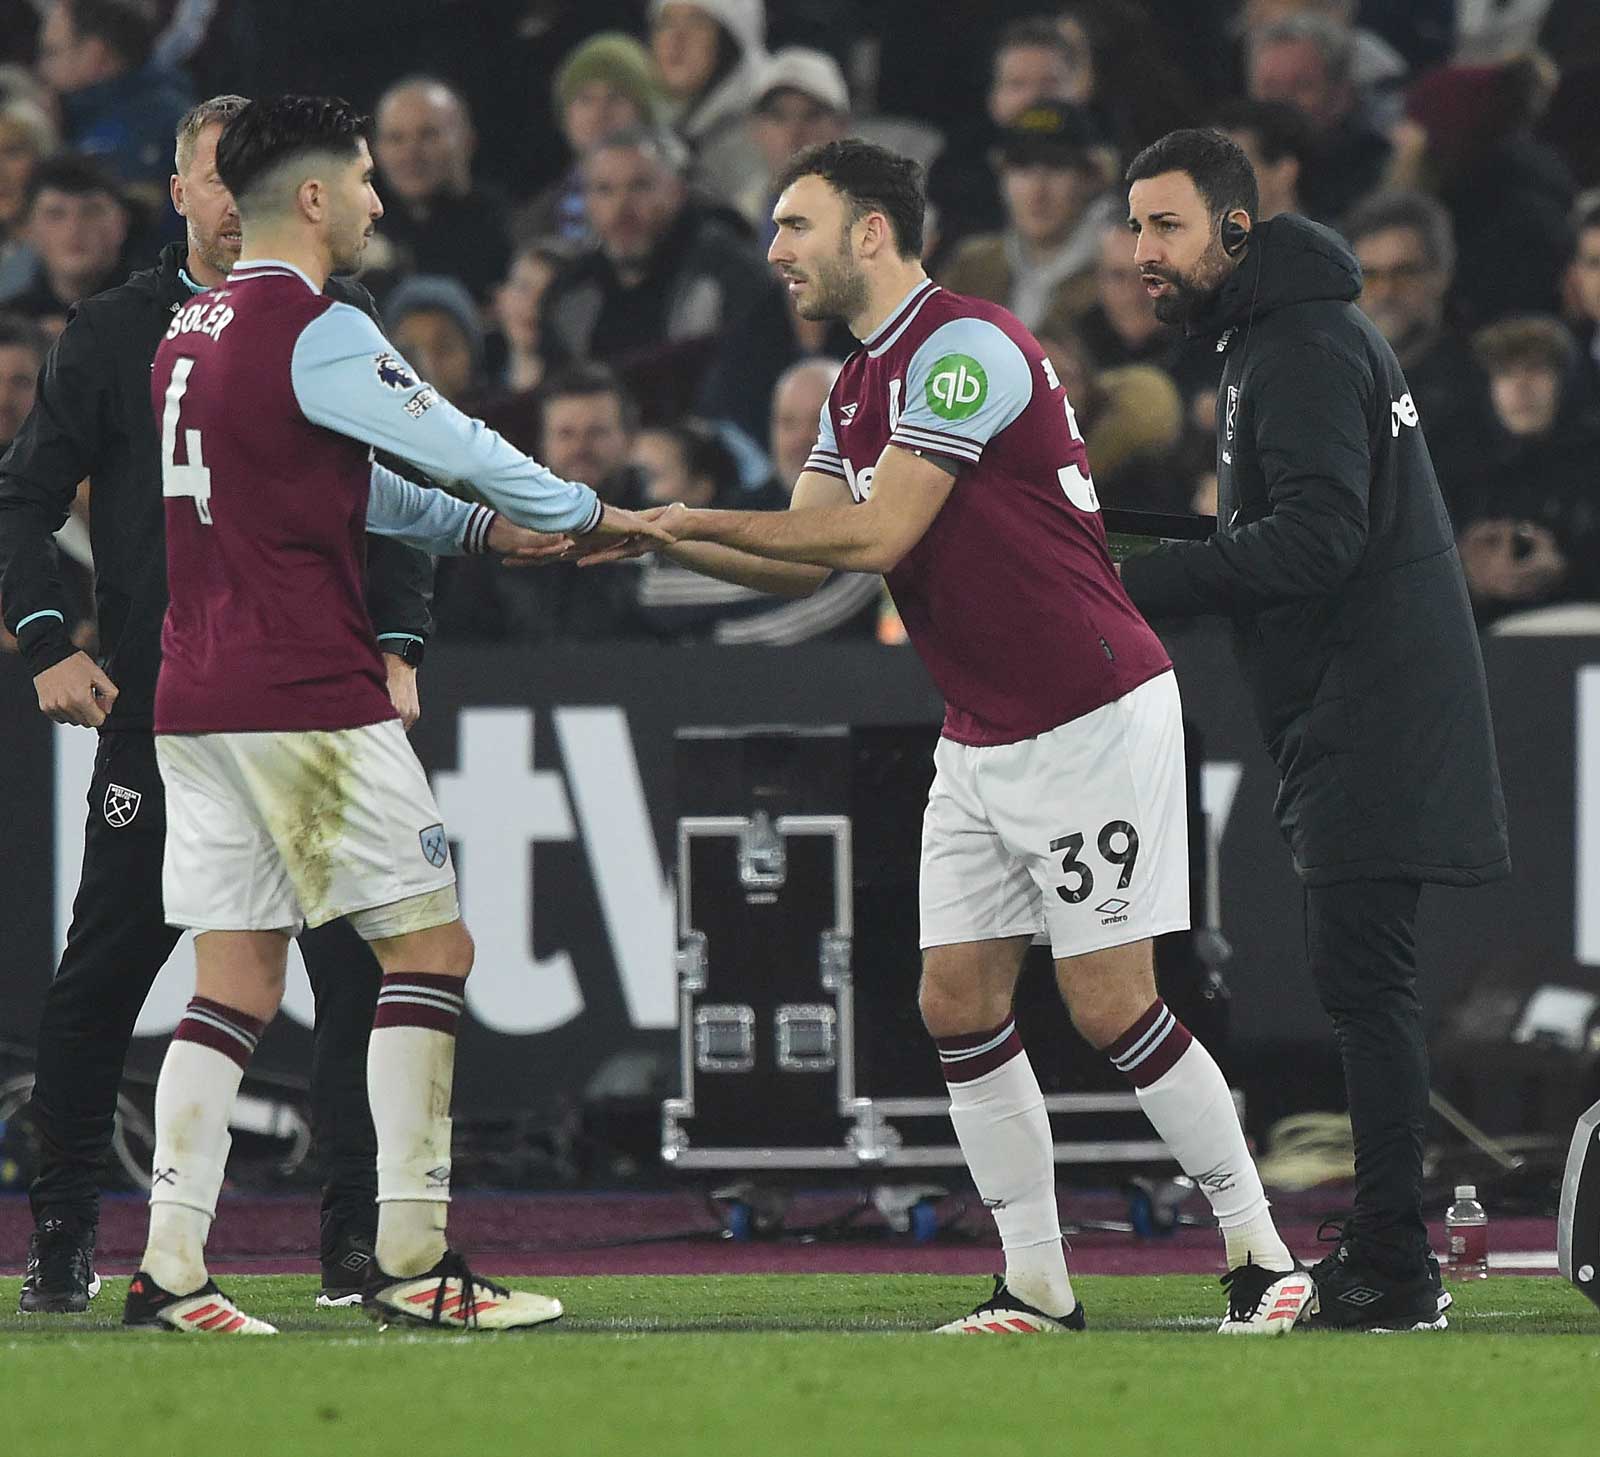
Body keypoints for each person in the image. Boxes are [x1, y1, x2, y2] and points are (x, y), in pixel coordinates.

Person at [576, 137, 1312, 1336]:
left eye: (795, 225)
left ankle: (1261, 1254)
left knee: (1111, 1002)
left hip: (1090, 709)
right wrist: (652, 533)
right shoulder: (856, 385)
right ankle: (1036, 1281)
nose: (775, 251)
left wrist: (680, 512)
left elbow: (874, 540)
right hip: (980, 730)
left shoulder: (964, 349)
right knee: (955, 999)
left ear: (872, 230)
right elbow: (802, 545)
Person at [123, 93, 664, 1333]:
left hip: (196, 696)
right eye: (363, 181)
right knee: (431, 951)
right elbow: (455, 441)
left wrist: (481, 534)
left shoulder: (186, 332)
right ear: (311, 197)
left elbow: (336, 487)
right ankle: (414, 1259)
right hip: (305, 697)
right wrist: (588, 514)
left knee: (236, 979)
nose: (378, 201)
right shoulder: (315, 328)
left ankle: (169, 1267)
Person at [0, 95, 440, 1315]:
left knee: (348, 969)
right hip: (164, 705)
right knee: (111, 967)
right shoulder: (112, 331)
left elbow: (394, 492)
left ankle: (349, 1243)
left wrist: (399, 642)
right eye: (212, 173)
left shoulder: (331, 322)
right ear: (186, 194)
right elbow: (19, 498)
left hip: (306, 698)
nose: (234, 195)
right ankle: (66, 1233)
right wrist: (47, 637)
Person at [1120, 128, 1509, 1329]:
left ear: (1235, 231)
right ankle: (1393, 1253)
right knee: (1366, 986)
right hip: (1362, 702)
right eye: (1133, 225)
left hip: (1369, 709)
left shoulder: (1291, 348)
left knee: (1365, 988)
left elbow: (1317, 539)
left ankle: (1394, 1263)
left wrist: (1134, 586)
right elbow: (1292, 528)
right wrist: (1116, 551)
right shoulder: (1288, 336)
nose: (1142, 251)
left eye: (1166, 226)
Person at [538, 124, 795, 440]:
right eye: (604, 190)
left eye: (641, 187)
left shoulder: (730, 272)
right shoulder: (570, 293)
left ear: (676, 191)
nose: (622, 208)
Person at [1342, 189, 1493, 512]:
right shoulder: (1322, 379)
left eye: (1405, 272)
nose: (1386, 291)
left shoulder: (1484, 384)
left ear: (1441, 275)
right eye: (1370, 275)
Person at [938, 101, 1121, 337]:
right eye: (1022, 168)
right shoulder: (972, 267)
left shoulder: (1118, 273)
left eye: (1057, 167)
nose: (1037, 191)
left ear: (1092, 179)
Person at [369, 76, 510, 305]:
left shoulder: (508, 229)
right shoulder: (362, 235)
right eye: (396, 139)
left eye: (428, 134)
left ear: (467, 140)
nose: (410, 154)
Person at [34, 0, 194, 191]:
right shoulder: (75, 118)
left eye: (52, 53)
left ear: (94, 54)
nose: (41, 70)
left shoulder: (150, 131)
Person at [1245, 14, 1390, 222]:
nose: (1281, 102)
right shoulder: (1232, 165)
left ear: (1340, 95)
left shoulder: (1373, 168)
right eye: (1270, 87)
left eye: (1301, 86)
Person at [0, 153, 132, 336]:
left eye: (91, 212)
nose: (74, 229)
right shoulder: (9, 322)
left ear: (122, 223)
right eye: (55, 214)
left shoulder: (164, 314)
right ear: (28, 229)